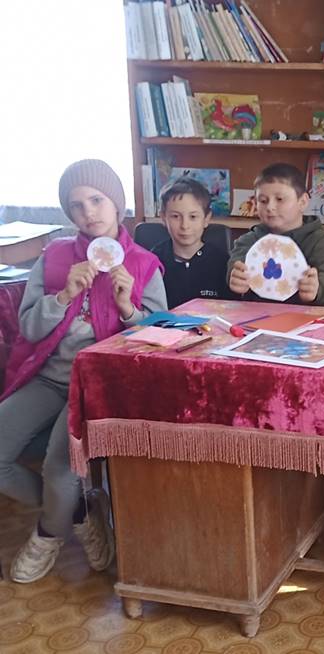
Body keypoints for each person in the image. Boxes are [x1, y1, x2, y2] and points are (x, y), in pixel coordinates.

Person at [0, 159, 167, 583]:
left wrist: (128, 309)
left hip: (97, 384)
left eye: (96, 200)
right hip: (47, 377)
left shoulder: (144, 264)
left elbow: (160, 339)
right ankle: (78, 512)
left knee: (61, 468)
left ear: (117, 203)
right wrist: (62, 296)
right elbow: (29, 328)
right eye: (76, 206)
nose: (88, 212)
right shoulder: (54, 257)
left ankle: (47, 535)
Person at [227, 163, 324, 305]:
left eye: (280, 199)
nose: (270, 207)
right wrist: (236, 278)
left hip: (306, 315)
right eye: (263, 201)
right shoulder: (249, 240)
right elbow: (235, 265)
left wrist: (317, 289)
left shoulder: (320, 242)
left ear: (303, 202)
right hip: (256, 313)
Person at [152, 176, 229, 307]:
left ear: (206, 219)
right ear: (163, 218)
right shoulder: (153, 262)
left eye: (193, 217)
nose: (185, 226)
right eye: (175, 216)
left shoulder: (222, 262)